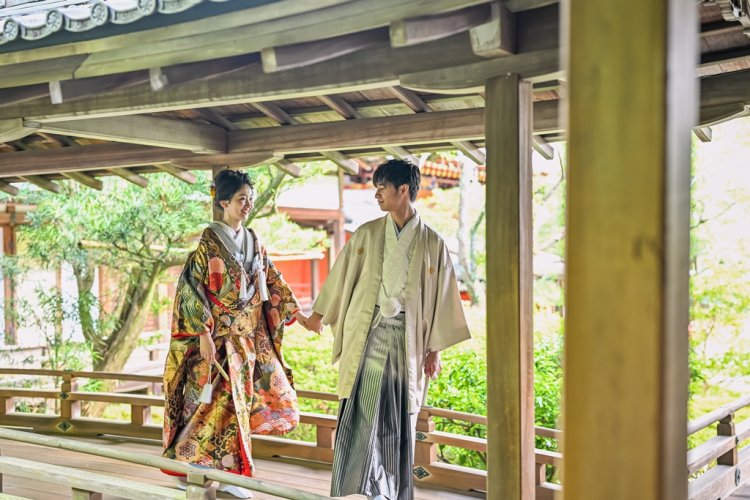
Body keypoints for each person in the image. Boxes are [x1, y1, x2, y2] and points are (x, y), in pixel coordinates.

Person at [307, 159, 471, 500]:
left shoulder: (432, 243)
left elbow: (442, 299)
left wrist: (435, 351)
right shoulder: (367, 234)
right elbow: (341, 277)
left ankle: (389, 488)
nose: (377, 194)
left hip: (408, 341)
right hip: (370, 333)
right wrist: (317, 317)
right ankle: (357, 486)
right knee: (364, 410)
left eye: (383, 188)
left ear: (403, 190)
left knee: (397, 417)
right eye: (376, 188)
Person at [162, 169, 315, 499]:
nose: (247, 204)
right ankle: (190, 468)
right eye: (241, 199)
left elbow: (273, 280)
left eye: (250, 199)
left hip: (246, 343)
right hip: (215, 343)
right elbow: (191, 290)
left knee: (238, 408)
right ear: (223, 202)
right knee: (203, 407)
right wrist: (203, 334)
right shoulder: (208, 243)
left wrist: (299, 315)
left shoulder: (254, 240)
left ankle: (232, 475)